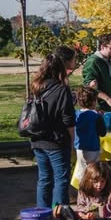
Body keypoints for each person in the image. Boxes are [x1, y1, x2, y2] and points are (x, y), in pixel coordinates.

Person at [28, 53, 76, 208]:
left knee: (44, 178)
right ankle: (59, 212)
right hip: (56, 141)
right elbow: (68, 119)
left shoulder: (36, 86)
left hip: (37, 139)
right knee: (61, 179)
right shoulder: (62, 90)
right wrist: (72, 140)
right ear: (60, 69)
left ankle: (43, 212)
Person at [71, 86, 107, 187]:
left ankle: (81, 190)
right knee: (93, 173)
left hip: (79, 148)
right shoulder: (96, 117)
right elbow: (102, 132)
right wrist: (102, 118)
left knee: (82, 171)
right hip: (92, 148)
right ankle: (90, 191)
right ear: (94, 101)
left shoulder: (76, 114)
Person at [82, 33, 111, 111]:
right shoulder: (93, 61)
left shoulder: (109, 63)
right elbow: (89, 86)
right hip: (96, 108)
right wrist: (107, 99)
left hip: (108, 108)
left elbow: (110, 86)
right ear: (102, 47)